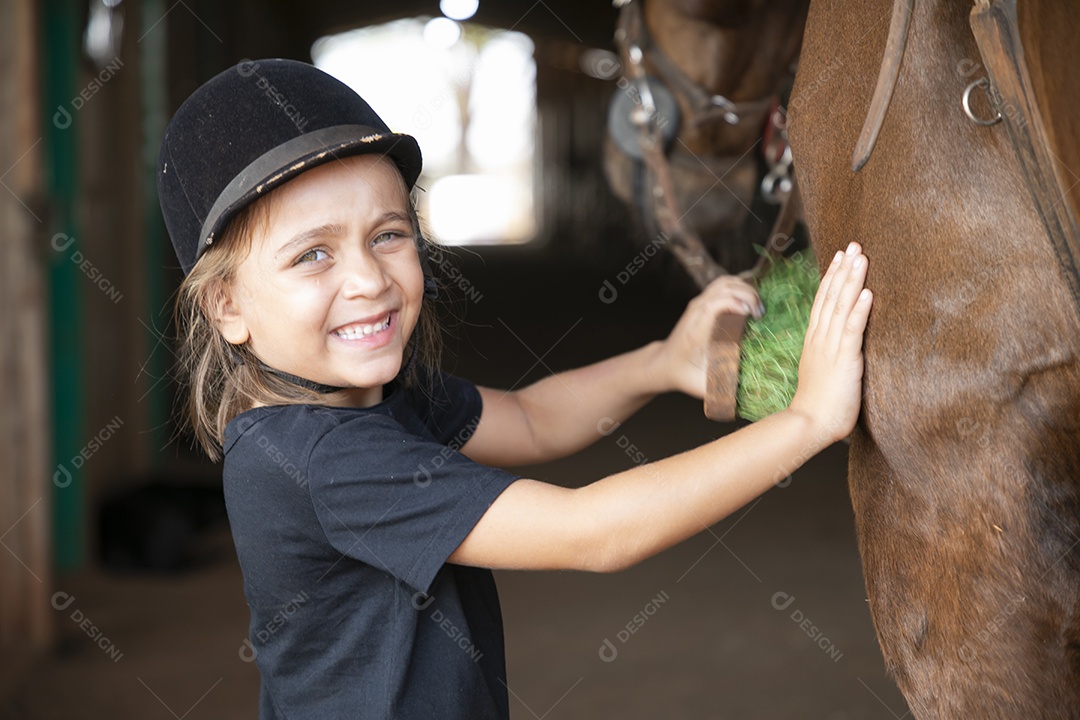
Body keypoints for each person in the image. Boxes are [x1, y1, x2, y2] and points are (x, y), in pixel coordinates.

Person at [158, 58, 872, 720]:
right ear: (227, 306)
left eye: (388, 234)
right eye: (313, 255)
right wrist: (805, 422)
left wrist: (664, 361)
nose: (369, 281)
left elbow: (532, 420)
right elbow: (594, 532)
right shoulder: (323, 460)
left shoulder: (371, 396)